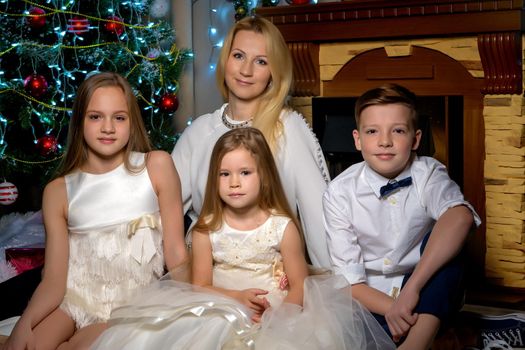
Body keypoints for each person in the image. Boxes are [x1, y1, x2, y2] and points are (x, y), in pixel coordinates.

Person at [92, 128, 395, 349]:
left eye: (245, 172)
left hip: (276, 310)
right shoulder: (205, 230)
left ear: (264, 176)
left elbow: (300, 284)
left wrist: (281, 318)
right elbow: (200, 287)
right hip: (220, 307)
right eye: (224, 174)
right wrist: (237, 300)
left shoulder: (282, 227)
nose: (234, 182)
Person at [1, 72, 188, 350]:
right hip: (73, 303)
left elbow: (176, 254)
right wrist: (24, 325)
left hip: (129, 308)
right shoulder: (58, 191)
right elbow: (53, 280)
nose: (108, 128)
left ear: (131, 122)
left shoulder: (156, 166)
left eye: (119, 117)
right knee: (26, 344)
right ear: (80, 122)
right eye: (95, 116)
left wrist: (201, 298)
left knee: (89, 346)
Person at [323, 83, 481, 349]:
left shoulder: (428, 173)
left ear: (416, 139)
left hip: (426, 291)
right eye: (372, 131)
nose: (385, 141)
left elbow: (461, 217)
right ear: (357, 139)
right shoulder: (339, 192)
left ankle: (416, 343)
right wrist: (396, 308)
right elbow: (349, 283)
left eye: (397, 130)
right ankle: (439, 334)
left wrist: (412, 290)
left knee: (451, 246)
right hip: (371, 300)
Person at [172, 15, 331, 268]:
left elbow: (318, 215)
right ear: (225, 60)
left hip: (270, 275)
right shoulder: (200, 131)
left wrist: (337, 285)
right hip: (208, 274)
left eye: (261, 61)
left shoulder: (288, 128)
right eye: (238, 56)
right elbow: (163, 210)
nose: (246, 70)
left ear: (274, 73)